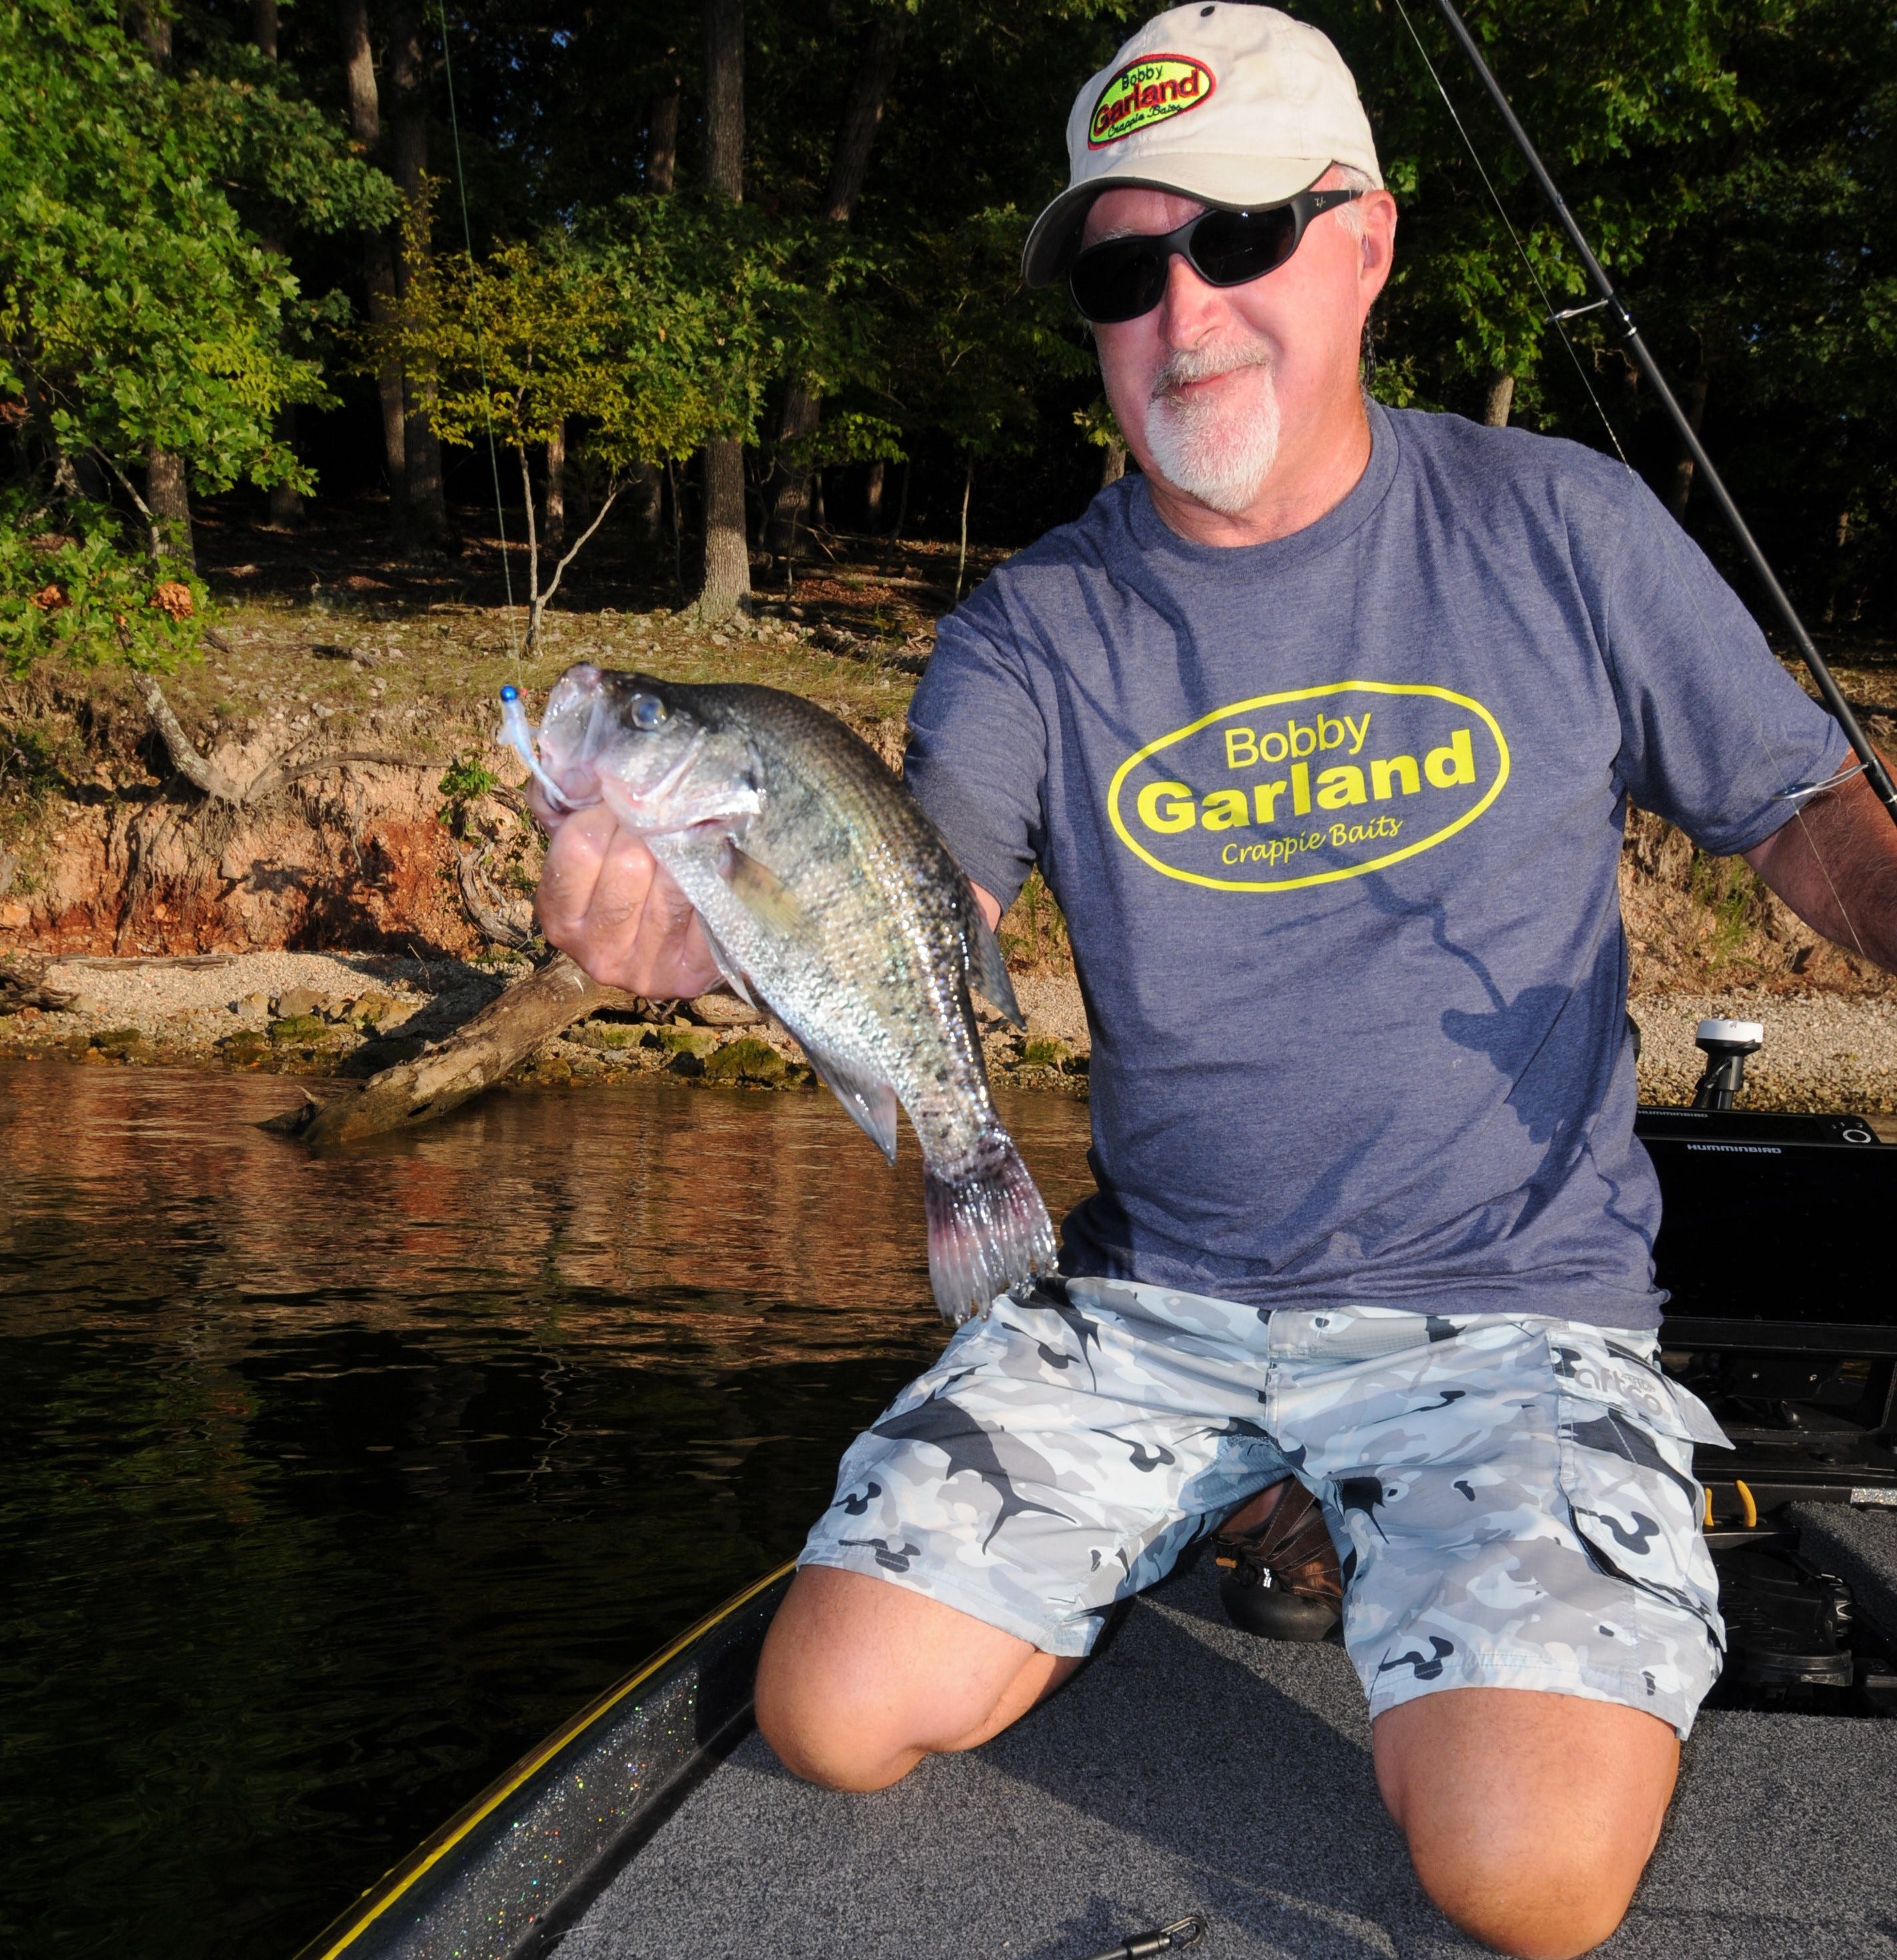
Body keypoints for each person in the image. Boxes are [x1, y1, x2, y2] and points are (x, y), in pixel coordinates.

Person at [531, 7, 1897, 1955]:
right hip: (1156, 1306)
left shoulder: (1565, 526)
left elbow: (1802, 816)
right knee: (831, 1718)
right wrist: (701, 925)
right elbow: (928, 916)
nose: (1183, 311)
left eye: (1239, 238)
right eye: (1122, 268)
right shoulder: (1028, 631)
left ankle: (1376, 1510)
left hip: (1503, 1312)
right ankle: (1260, 1494)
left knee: (1524, 1882)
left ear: (1367, 240)